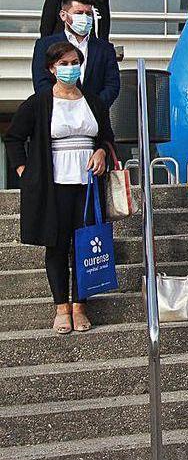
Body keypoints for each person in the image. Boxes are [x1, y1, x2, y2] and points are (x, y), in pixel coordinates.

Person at [4, 42, 114, 334]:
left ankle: (80, 305)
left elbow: (106, 137)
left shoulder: (93, 101)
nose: (70, 68)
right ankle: (61, 308)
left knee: (86, 244)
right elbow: (13, 137)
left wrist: (101, 151)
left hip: (88, 185)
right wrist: (24, 170)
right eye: (63, 64)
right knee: (57, 245)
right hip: (54, 186)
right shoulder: (38, 102)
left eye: (74, 62)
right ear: (52, 68)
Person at [32, 0, 121, 108]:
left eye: (88, 14)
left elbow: (112, 85)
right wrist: (61, 105)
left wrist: (94, 107)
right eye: (79, 13)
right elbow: (41, 82)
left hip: (95, 115)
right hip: (57, 114)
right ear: (63, 15)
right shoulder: (45, 45)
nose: (85, 17)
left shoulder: (105, 48)